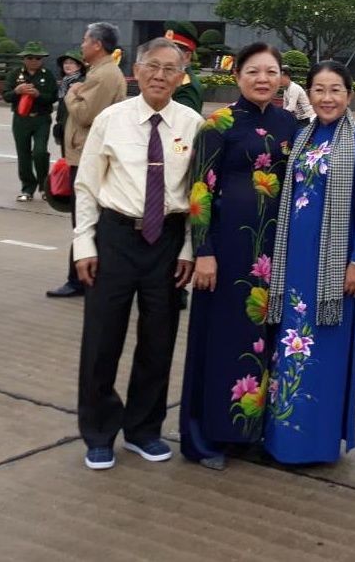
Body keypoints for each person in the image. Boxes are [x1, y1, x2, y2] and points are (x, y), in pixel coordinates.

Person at [73, 37, 204, 470]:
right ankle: (98, 433)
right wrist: (83, 245)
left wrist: (187, 248)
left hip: (166, 241)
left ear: (181, 76)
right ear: (136, 68)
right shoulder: (112, 119)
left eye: (170, 69)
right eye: (152, 66)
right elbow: (87, 185)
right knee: (101, 339)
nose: (160, 76)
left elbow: (194, 196)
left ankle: (144, 429)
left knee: (159, 339)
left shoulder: (192, 124)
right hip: (115, 238)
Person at [178, 43, 298, 471]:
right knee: (222, 339)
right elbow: (200, 192)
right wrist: (203, 251)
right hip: (227, 254)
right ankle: (208, 436)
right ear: (237, 76)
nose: (262, 79)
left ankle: (251, 433)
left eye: (271, 71)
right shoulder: (218, 124)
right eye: (253, 71)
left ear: (282, 77)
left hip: (273, 255)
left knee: (263, 343)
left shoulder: (291, 125)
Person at [263, 60, 355, 464]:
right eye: (319, 90)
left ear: (349, 95)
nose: (327, 98)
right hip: (294, 260)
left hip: (331, 268)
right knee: (288, 348)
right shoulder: (302, 137)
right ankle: (283, 438)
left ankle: (315, 443)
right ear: (308, 94)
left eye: (335, 90)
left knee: (322, 352)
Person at [47, 22, 126, 299]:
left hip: (88, 156)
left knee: (83, 218)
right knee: (85, 218)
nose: (81, 45)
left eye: (84, 40)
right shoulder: (98, 72)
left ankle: (79, 279)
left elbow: (84, 115)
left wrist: (71, 93)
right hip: (83, 153)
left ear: (97, 45)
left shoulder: (104, 75)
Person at [4, 41, 57, 202]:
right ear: (24, 59)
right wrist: (17, 91)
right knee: (23, 154)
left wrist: (38, 95)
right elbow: (6, 96)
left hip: (41, 119)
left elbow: (53, 97)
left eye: (38, 58)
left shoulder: (47, 75)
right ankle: (27, 188)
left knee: (40, 152)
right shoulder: (15, 74)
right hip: (21, 119)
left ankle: (44, 186)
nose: (34, 61)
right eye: (30, 58)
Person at [164, 21, 204, 114]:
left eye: (172, 51)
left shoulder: (187, 86)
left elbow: (183, 122)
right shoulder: (175, 78)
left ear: (187, 56)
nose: (165, 55)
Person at [52, 49, 86, 149]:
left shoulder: (82, 81)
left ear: (79, 66)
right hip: (63, 124)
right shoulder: (64, 83)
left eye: (71, 63)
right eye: (65, 63)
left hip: (75, 126)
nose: (67, 65)